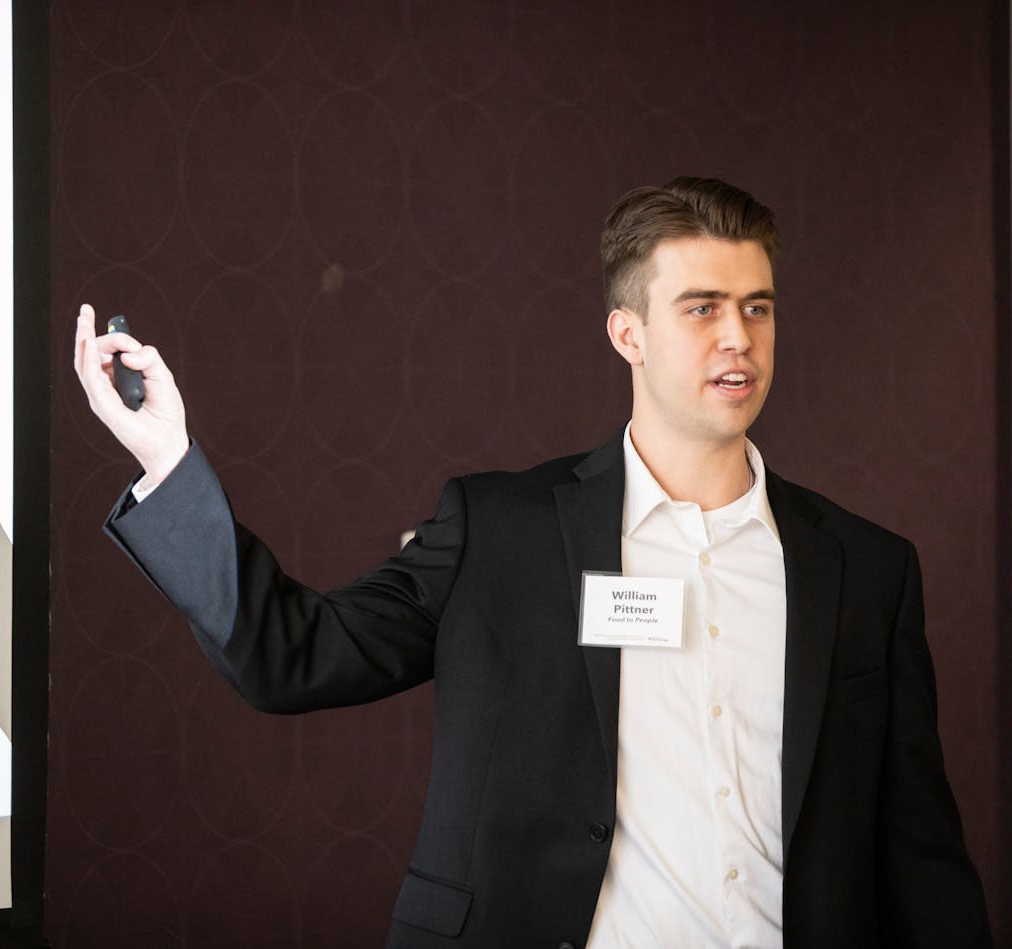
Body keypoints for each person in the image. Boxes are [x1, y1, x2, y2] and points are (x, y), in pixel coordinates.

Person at [72, 177, 991, 948]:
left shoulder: (869, 570)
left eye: (757, 307)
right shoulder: (501, 531)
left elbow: (920, 855)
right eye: (701, 308)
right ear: (627, 334)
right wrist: (170, 464)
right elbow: (292, 653)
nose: (738, 338)